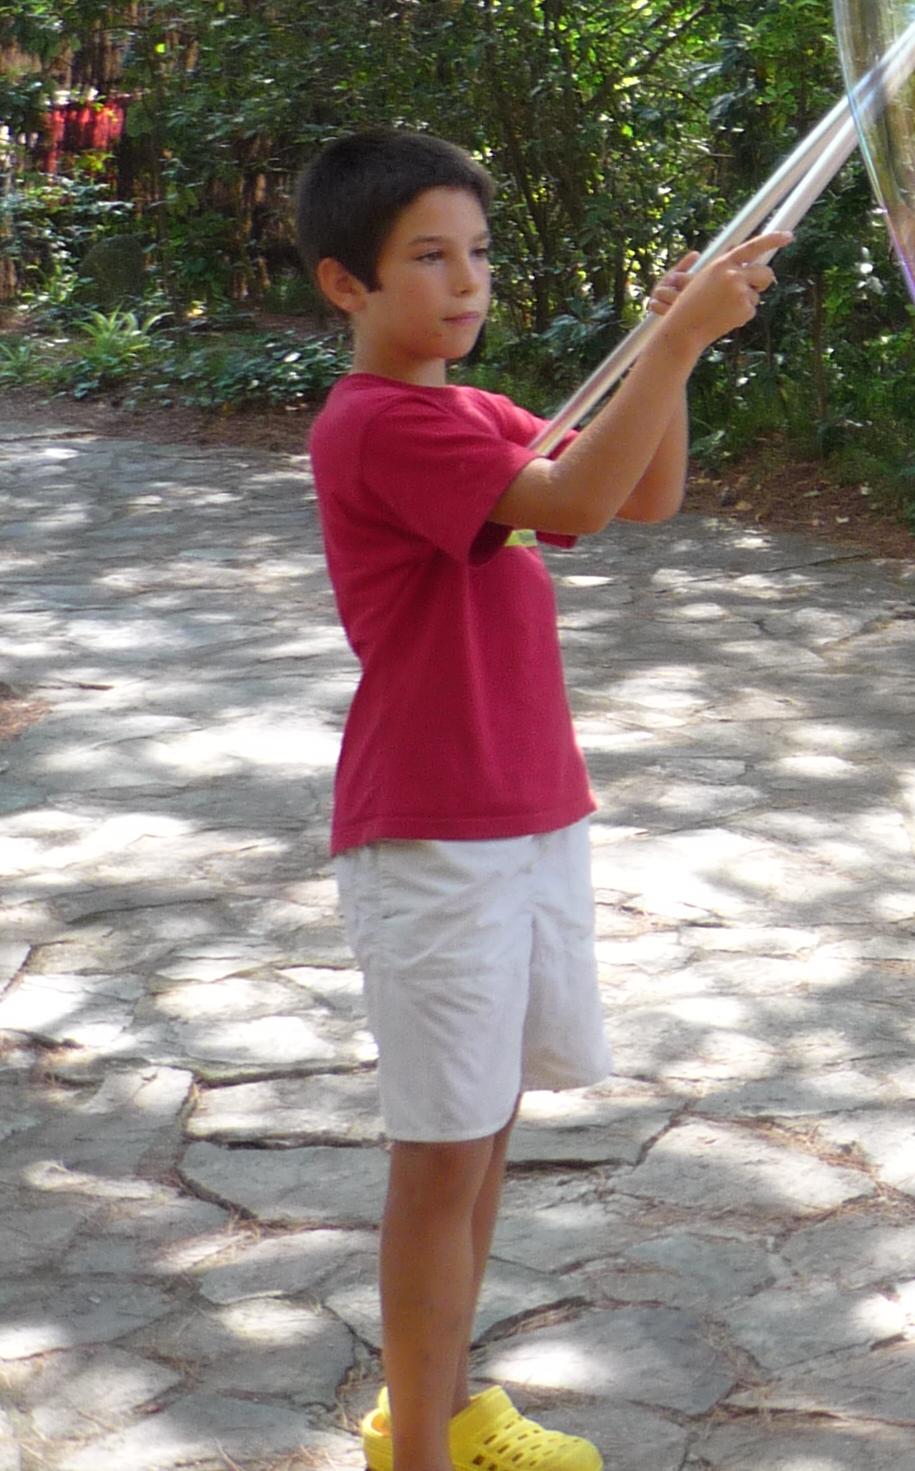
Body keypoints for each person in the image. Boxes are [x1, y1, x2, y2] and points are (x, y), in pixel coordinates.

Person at [294, 130, 785, 1471]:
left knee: (486, 1137)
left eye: (479, 253)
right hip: (433, 837)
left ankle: (442, 1411)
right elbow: (569, 489)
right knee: (439, 1161)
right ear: (348, 285)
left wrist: (663, 345)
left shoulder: (467, 408)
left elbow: (640, 497)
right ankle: (420, 1455)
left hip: (527, 815)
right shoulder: (380, 422)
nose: (466, 282)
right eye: (430, 258)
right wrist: (674, 342)